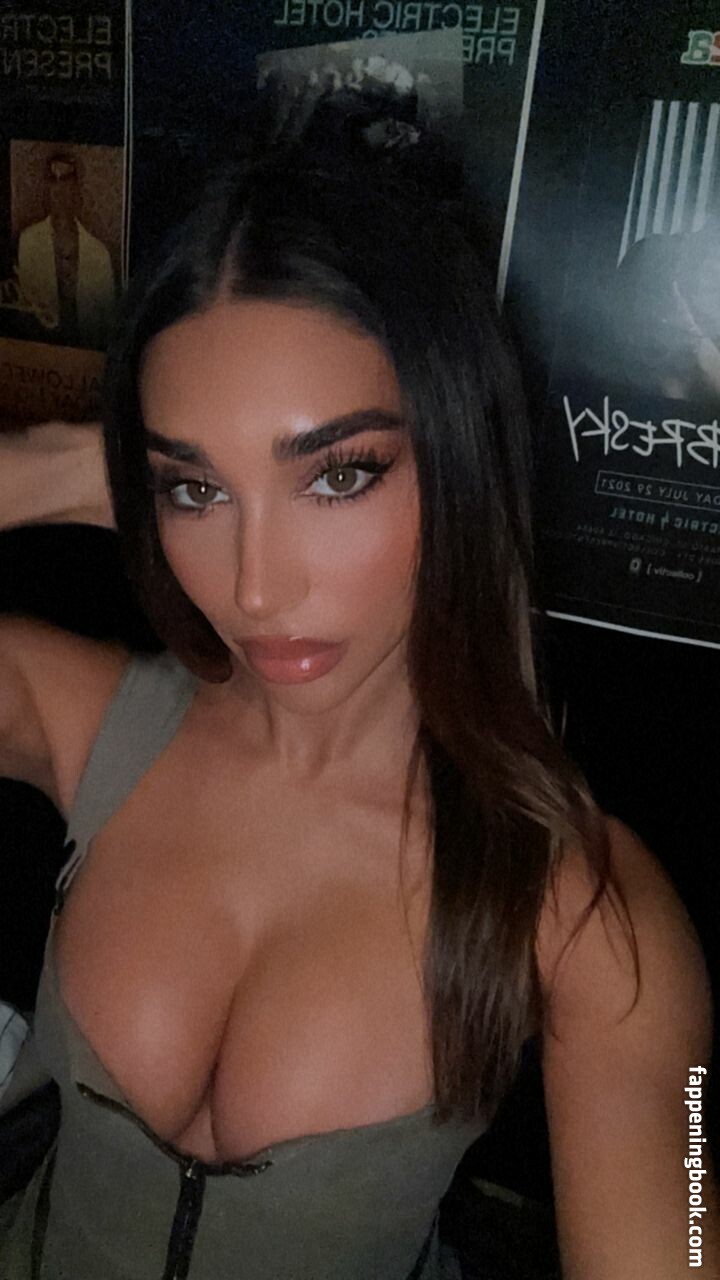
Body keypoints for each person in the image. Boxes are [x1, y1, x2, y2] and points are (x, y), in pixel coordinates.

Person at [0, 141, 717, 1279]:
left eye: (338, 475)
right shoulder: (87, 720)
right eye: (196, 487)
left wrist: (184, 482)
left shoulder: (583, 912)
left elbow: (677, 1222)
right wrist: (71, 470)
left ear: (458, 453)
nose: (254, 589)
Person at [16, 153, 116, 351]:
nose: (59, 188)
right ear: (47, 187)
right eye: (53, 180)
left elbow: (110, 324)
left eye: (66, 180)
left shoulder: (99, 253)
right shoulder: (28, 241)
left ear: (76, 188)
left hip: (88, 354)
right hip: (41, 351)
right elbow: (25, 310)